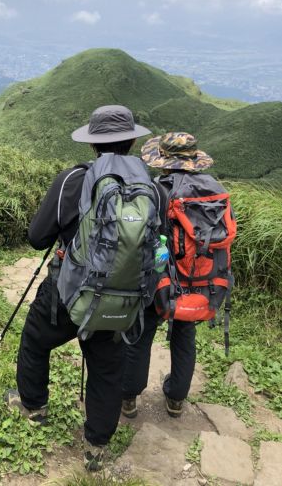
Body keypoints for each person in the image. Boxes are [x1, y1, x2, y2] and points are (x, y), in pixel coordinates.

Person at [5, 105, 151, 471]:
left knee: (36, 340)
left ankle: (33, 406)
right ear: (132, 141)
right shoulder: (149, 186)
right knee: (107, 368)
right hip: (121, 298)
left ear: (93, 145)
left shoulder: (71, 181)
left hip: (68, 293)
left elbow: (37, 238)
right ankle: (96, 447)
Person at [122, 132, 215, 419]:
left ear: (163, 161)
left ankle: (129, 397)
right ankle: (176, 398)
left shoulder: (157, 189)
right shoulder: (214, 189)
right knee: (185, 332)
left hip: (160, 277)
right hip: (199, 279)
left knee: (142, 332)